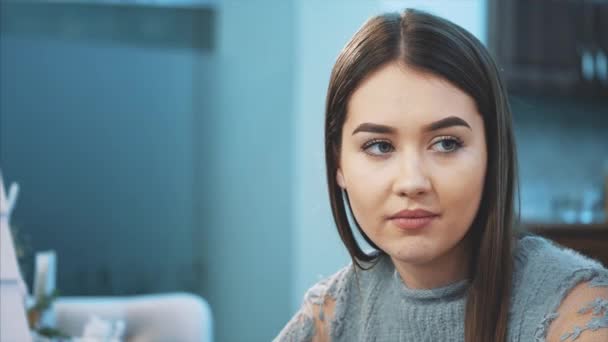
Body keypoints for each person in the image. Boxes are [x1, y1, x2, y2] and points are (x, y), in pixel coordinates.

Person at [274, 8, 608, 342]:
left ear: (494, 154)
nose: (412, 183)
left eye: (447, 143)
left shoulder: (578, 311)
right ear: (339, 165)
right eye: (379, 146)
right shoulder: (329, 316)